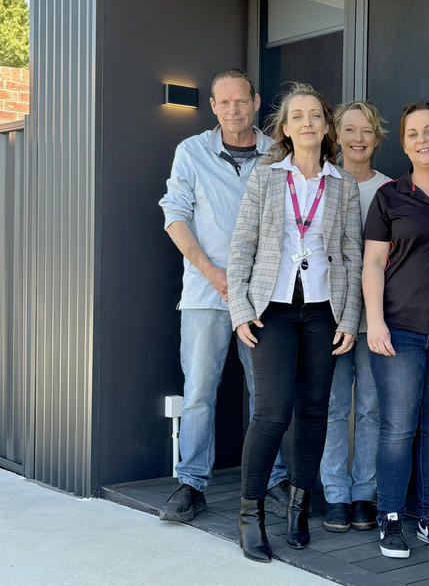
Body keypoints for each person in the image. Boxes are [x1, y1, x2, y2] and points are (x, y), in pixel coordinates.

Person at [227, 82, 363, 562]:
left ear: (327, 128)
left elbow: (350, 252)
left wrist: (349, 316)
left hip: (324, 310)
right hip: (273, 311)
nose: (307, 123)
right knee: (271, 413)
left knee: (313, 411)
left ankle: (300, 510)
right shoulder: (265, 178)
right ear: (285, 128)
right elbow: (242, 246)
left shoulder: (343, 185)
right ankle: (250, 516)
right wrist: (240, 310)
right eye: (297, 116)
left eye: (315, 116)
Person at [158, 68, 288, 522]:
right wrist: (213, 272)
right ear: (213, 106)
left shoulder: (279, 153)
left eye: (241, 101)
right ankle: (191, 484)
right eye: (224, 102)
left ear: (255, 101)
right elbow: (175, 217)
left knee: (265, 393)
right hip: (205, 294)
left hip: (265, 298)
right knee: (198, 392)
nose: (234, 110)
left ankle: (273, 481)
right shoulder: (191, 152)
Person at [363, 101, 429, 559]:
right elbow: (372, 263)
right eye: (412, 134)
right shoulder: (390, 195)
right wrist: (375, 322)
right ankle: (390, 517)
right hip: (399, 330)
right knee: (398, 429)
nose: (422, 140)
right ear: (403, 144)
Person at [319, 101, 392, 534]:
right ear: (337, 135)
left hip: (374, 318)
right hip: (328, 314)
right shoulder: (322, 184)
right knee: (332, 407)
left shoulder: (391, 190)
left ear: (376, 137)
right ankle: (335, 494)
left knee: (370, 407)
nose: (358, 139)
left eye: (366, 131)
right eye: (349, 130)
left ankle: (364, 494)